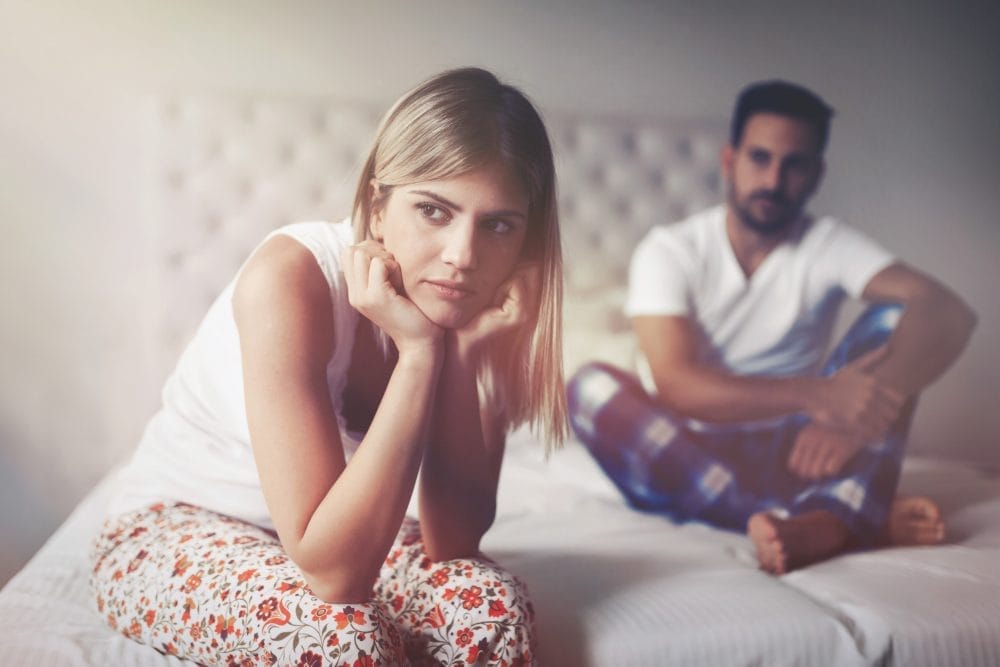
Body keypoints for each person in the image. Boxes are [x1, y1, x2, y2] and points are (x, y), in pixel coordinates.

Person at [90, 67, 566, 666]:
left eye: (498, 225)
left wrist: (464, 354)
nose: (463, 256)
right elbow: (337, 577)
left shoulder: (471, 306)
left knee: (490, 609)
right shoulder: (290, 278)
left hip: (339, 535)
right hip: (177, 527)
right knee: (341, 641)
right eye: (435, 212)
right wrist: (420, 355)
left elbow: (455, 541)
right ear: (378, 205)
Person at [567, 80, 976, 575]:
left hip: (797, 451)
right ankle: (842, 521)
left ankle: (819, 514)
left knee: (898, 322)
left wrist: (861, 411)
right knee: (589, 388)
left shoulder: (826, 243)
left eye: (794, 164)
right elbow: (678, 386)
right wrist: (819, 396)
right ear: (729, 160)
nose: (774, 179)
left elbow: (947, 312)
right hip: (686, 446)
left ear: (816, 174)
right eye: (760, 158)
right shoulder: (671, 250)